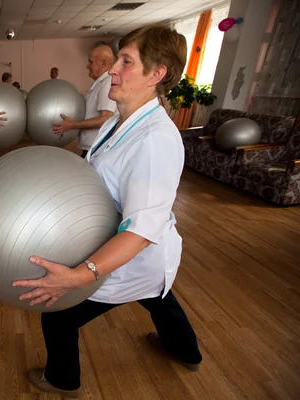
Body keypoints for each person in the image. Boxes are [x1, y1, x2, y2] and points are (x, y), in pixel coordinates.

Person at [14, 25, 202, 398]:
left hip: (132, 255)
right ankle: (185, 351)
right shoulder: (120, 121)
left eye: (125, 61)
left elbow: (140, 231)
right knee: (161, 300)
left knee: (59, 314)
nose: (112, 69)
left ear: (156, 74)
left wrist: (78, 278)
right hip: (138, 257)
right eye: (116, 59)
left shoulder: (155, 141)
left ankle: (64, 381)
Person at [52, 42, 117, 158]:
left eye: (90, 62)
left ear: (103, 63)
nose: (87, 66)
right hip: (92, 148)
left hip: (97, 150)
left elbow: (106, 118)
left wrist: (73, 125)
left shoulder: (107, 83)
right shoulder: (99, 83)